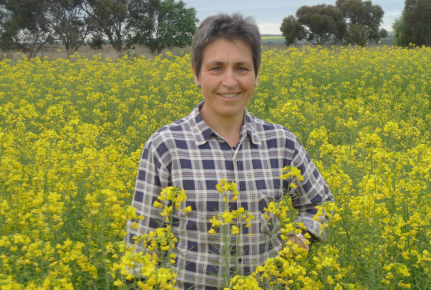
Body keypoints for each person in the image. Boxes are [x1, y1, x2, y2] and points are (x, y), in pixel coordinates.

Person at [125, 13, 334, 289]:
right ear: (196, 75)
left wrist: (300, 238)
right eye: (216, 68)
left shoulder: (282, 143)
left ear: (257, 75)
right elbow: (141, 243)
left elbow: (320, 203)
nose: (230, 81)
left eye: (242, 68)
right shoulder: (165, 146)